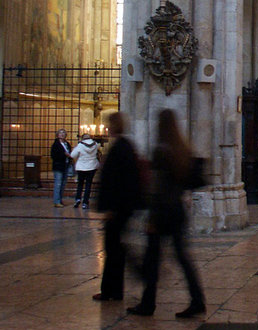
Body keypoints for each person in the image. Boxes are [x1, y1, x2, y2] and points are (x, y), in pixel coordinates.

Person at [128, 109, 206, 319]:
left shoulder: (161, 150)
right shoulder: (182, 149)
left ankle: (147, 304)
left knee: (152, 259)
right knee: (182, 257)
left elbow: (158, 186)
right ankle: (197, 299)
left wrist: (152, 216)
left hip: (163, 211)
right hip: (177, 211)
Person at [94, 112, 141, 301]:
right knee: (116, 249)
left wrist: (111, 208)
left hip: (117, 208)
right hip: (122, 207)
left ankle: (111, 290)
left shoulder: (120, 148)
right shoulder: (126, 146)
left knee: (113, 249)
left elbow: (115, 181)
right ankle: (114, 290)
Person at [70, 132, 100, 210]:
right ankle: (85, 202)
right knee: (88, 185)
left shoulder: (80, 145)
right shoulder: (95, 144)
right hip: (92, 166)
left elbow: (73, 155)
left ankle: (78, 199)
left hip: (81, 167)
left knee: (80, 184)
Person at [50, 128, 71, 207]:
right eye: (60, 133)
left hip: (65, 165)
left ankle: (60, 199)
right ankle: (56, 201)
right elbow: (53, 156)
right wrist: (64, 155)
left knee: (63, 184)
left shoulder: (67, 144)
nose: (62, 134)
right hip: (58, 166)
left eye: (63, 133)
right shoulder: (55, 145)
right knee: (58, 184)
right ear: (57, 135)